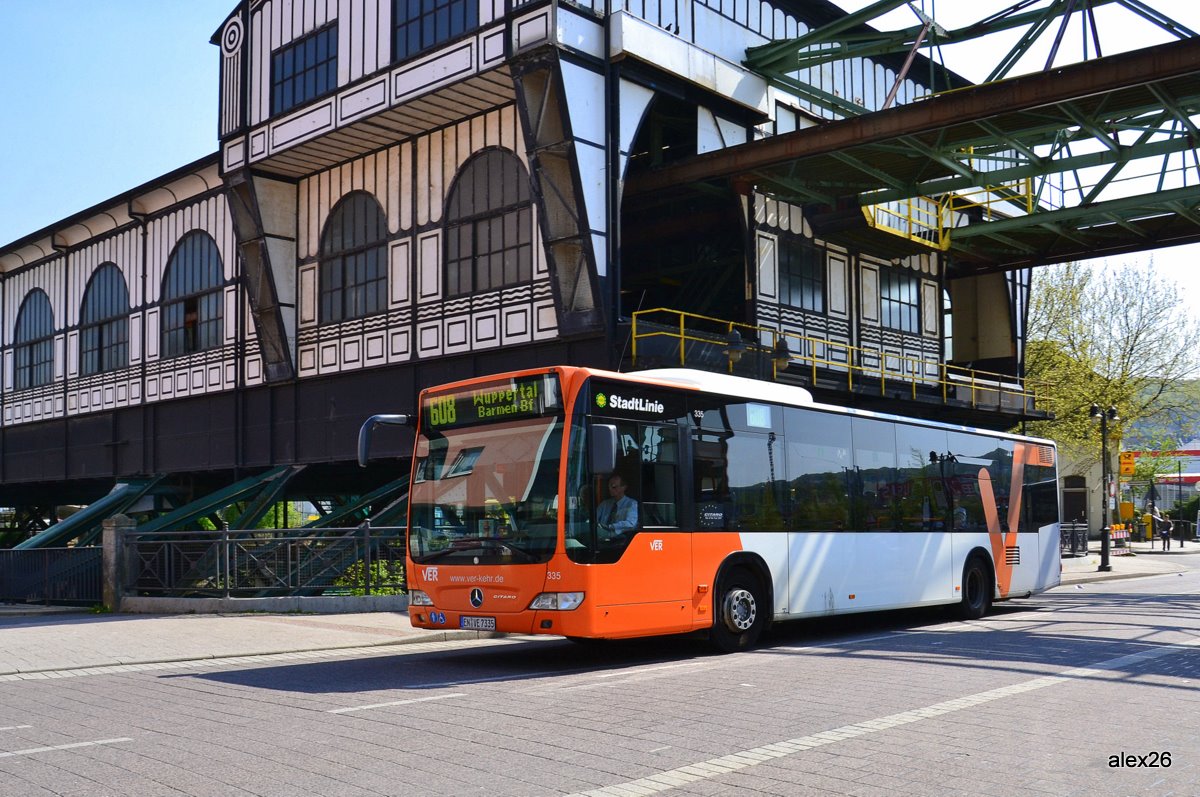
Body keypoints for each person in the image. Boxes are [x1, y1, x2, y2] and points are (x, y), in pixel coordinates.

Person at [596, 474, 638, 540]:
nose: (610, 489)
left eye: (613, 486)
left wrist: (610, 527)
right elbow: (594, 519)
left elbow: (631, 523)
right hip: (601, 539)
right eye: (609, 486)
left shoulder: (631, 504)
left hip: (619, 541)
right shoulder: (604, 504)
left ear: (624, 487)